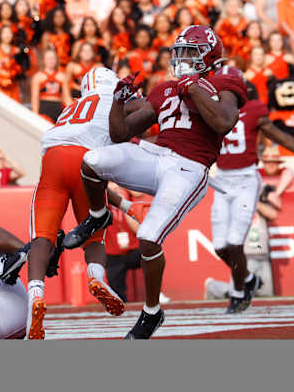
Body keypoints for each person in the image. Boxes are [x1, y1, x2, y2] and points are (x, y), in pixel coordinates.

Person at [64, 26, 248, 339]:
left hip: (190, 169)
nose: (182, 59)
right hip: (155, 156)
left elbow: (223, 122)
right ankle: (98, 217)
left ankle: (151, 312)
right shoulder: (165, 89)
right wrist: (118, 102)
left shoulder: (224, 82)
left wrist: (195, 89)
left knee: (149, 235)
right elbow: (121, 133)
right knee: (94, 160)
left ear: (211, 55)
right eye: (181, 52)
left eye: (190, 52)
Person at [26, 67, 148, 340]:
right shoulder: (114, 98)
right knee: (95, 228)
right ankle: (96, 276)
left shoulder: (73, 106)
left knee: (42, 238)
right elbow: (146, 108)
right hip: (87, 160)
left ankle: (35, 294)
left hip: (53, 159)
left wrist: (127, 207)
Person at [211, 80, 294, 313]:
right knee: (221, 246)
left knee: (237, 245)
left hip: (250, 203)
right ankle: (247, 280)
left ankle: (240, 292)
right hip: (224, 185)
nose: (271, 165)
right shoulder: (212, 113)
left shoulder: (253, 116)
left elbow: (285, 150)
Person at [204, 184, 279, 300]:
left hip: (262, 257)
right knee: (238, 294)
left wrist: (255, 200)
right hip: (244, 256)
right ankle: (212, 287)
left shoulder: (259, 204)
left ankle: (214, 287)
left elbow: (273, 214)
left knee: (266, 295)